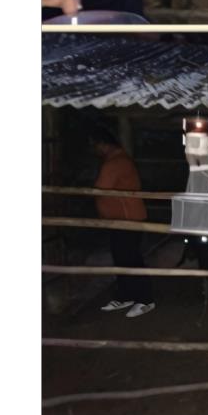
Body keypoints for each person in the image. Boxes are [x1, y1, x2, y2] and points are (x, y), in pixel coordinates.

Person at [90, 127, 155, 318]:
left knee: (130, 259)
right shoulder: (116, 160)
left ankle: (145, 299)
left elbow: (101, 188)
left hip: (127, 219)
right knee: (122, 258)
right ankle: (126, 295)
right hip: (120, 219)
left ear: (103, 144)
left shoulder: (115, 163)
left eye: (95, 145)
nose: (94, 150)